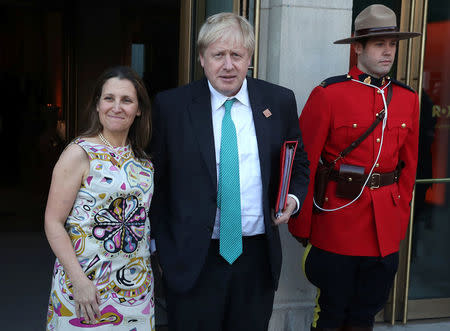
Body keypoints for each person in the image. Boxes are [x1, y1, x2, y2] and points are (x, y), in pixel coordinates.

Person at [150, 12, 310, 331]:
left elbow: (299, 163)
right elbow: (157, 181)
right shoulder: (172, 107)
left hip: (255, 256)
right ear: (201, 58)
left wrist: (292, 198)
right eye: (218, 55)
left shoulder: (278, 101)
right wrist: (162, 249)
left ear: (249, 58)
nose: (228, 65)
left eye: (236, 55)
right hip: (194, 257)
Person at [288, 4, 420, 331]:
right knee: (332, 315)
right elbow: (302, 160)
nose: (387, 51)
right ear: (358, 48)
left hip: (384, 229)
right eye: (379, 44)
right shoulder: (329, 94)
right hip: (338, 224)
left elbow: (410, 165)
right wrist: (303, 226)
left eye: (392, 43)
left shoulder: (407, 99)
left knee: (365, 316)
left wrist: (400, 211)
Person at [45, 66, 155, 330]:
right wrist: (79, 281)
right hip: (85, 287)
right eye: (109, 98)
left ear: (138, 109)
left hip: (135, 289)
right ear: (97, 105)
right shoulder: (79, 153)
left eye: (126, 100)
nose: (117, 107)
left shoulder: (143, 161)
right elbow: (53, 222)